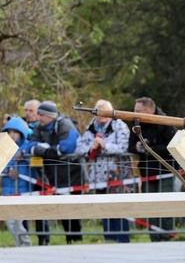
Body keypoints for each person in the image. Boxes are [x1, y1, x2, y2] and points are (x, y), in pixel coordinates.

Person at [20, 101, 83, 243]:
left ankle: (75, 239)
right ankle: (70, 240)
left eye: (42, 115)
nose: (39, 118)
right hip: (54, 174)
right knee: (62, 208)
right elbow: (31, 146)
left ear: (50, 116)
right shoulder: (39, 127)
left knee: (72, 208)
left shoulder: (65, 124)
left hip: (72, 173)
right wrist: (50, 150)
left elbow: (67, 148)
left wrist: (45, 150)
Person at [76, 100, 133, 243]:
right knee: (104, 209)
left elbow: (124, 147)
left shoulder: (120, 126)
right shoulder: (90, 128)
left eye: (105, 112)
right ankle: (109, 240)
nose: (102, 115)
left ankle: (122, 240)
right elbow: (79, 148)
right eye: (99, 111)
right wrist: (92, 147)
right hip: (98, 177)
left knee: (118, 209)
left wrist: (104, 146)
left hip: (117, 176)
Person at [128, 97, 177, 241]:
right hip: (147, 170)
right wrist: (136, 147)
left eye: (137, 111)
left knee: (165, 203)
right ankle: (154, 237)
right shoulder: (136, 123)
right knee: (150, 204)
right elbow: (130, 145)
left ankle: (168, 236)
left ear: (148, 111)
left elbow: (171, 145)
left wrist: (150, 149)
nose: (134, 113)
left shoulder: (165, 122)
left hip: (165, 169)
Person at [1, 117, 33, 247]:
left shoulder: (26, 147)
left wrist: (24, 156)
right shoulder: (3, 148)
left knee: (18, 222)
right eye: (9, 132)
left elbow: (32, 164)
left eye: (15, 132)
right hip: (8, 189)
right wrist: (7, 170)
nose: (12, 135)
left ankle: (25, 244)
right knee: (10, 221)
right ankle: (18, 244)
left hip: (22, 190)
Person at [23, 99, 51, 245]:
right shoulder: (21, 125)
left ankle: (43, 238)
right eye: (26, 111)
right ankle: (24, 238)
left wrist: (27, 130)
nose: (27, 114)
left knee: (41, 207)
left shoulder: (41, 126)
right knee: (23, 207)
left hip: (41, 174)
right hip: (25, 174)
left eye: (31, 111)